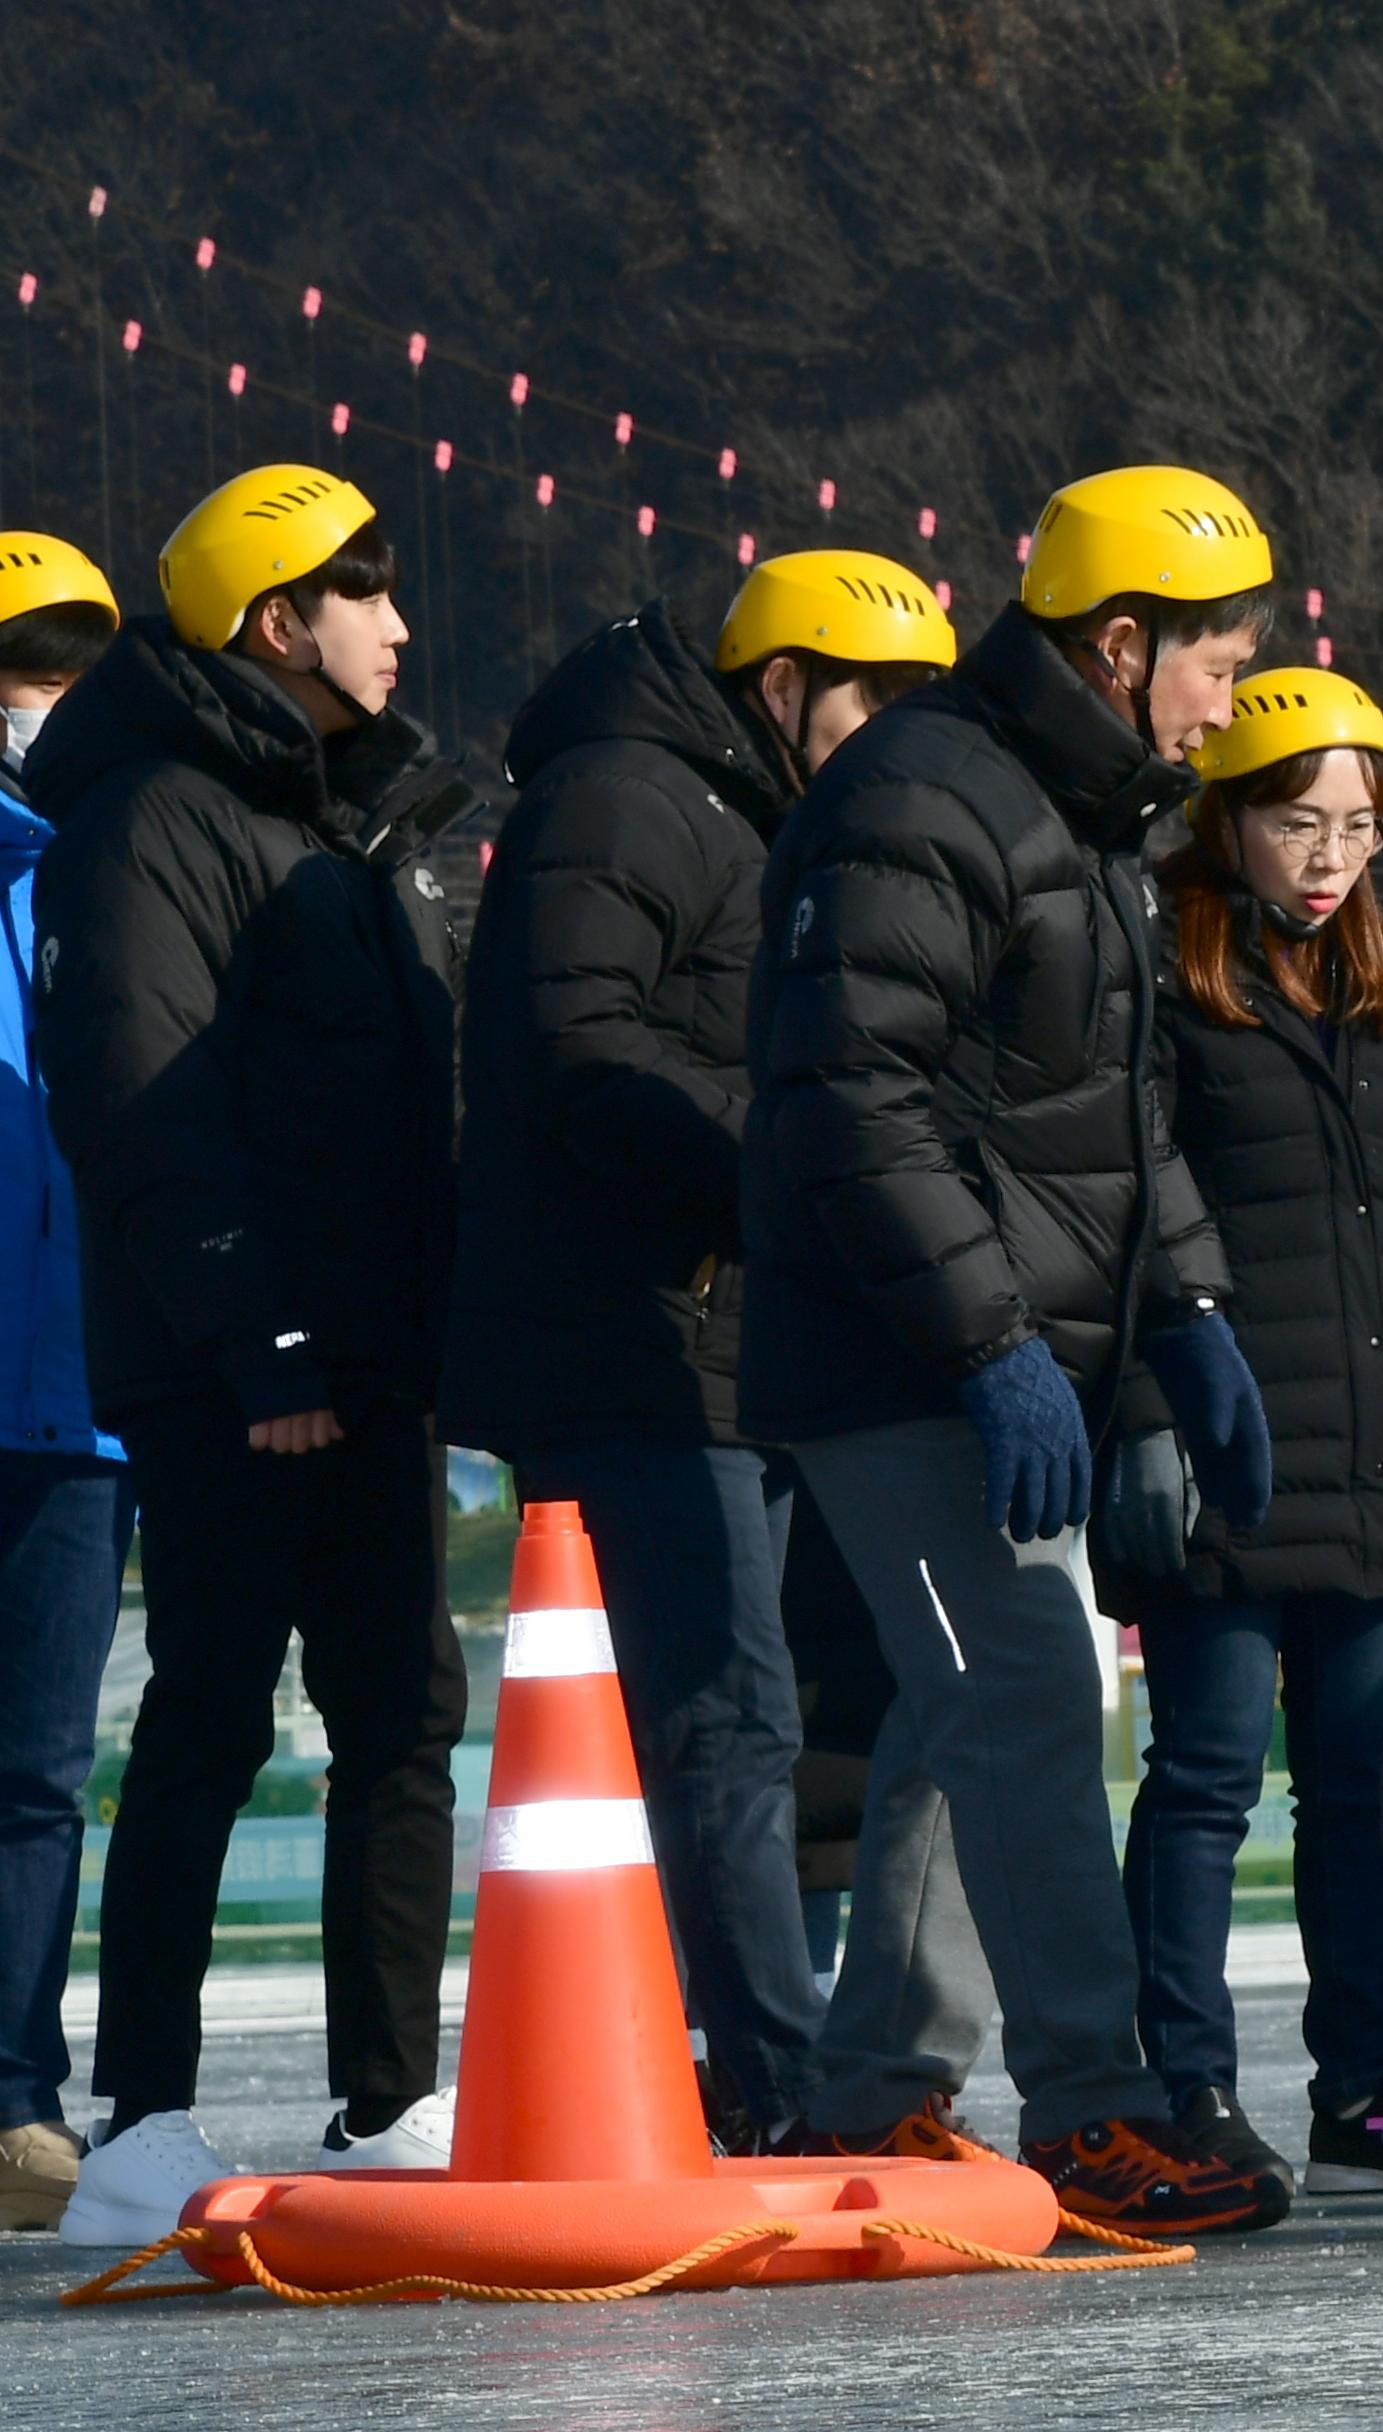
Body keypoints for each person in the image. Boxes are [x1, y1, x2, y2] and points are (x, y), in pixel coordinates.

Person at [739, 466, 1286, 2234]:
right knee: (1030, 1688)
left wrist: (1189, 1310)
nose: (1230, 697)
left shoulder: (1083, 807)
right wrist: (989, 1344)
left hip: (994, 1339)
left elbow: (1103, 1118)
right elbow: (851, 1099)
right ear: (1119, 646)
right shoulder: (925, 795)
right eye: (1213, 660)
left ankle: (879, 2090)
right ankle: (1092, 2105)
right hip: (897, 1346)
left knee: (963, 1711)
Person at [441, 552, 958, 2148]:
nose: (886, 752)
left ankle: (771, 2059)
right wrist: (792, 1157)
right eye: (872, 711)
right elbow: (575, 1048)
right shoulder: (629, 798)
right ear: (786, 684)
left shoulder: (750, 809)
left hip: (732, 1335)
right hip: (637, 1345)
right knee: (721, 1713)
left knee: (765, 1709)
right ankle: (781, 2076)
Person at [26, 467, 477, 2245]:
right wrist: (260, 1333)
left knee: (401, 1712)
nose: (399, 625)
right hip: (235, 1366)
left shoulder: (353, 822)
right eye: (365, 594)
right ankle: (144, 2109)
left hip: (369, 1359)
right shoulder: (152, 819)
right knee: (213, 1710)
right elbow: (145, 1102)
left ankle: (390, 2099)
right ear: (279, 624)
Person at [1098, 665, 1383, 2195]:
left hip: (1365, 1471)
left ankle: (1363, 2085)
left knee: (1360, 1794)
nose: (1330, 853)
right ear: (1227, 816)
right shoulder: (1160, 979)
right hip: (1228, 1460)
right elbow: (1130, 1218)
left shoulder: (1370, 993)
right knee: (1209, 1778)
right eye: (1301, 820)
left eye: (1357, 825)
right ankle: (1187, 2081)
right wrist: (1156, 1414)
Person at [0, 534, 130, 2232]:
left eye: (70, 655)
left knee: (37, 1767)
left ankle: (15, 2096)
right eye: (20, 657)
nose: (43, 691)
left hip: (82, 1386)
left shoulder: (122, 854)